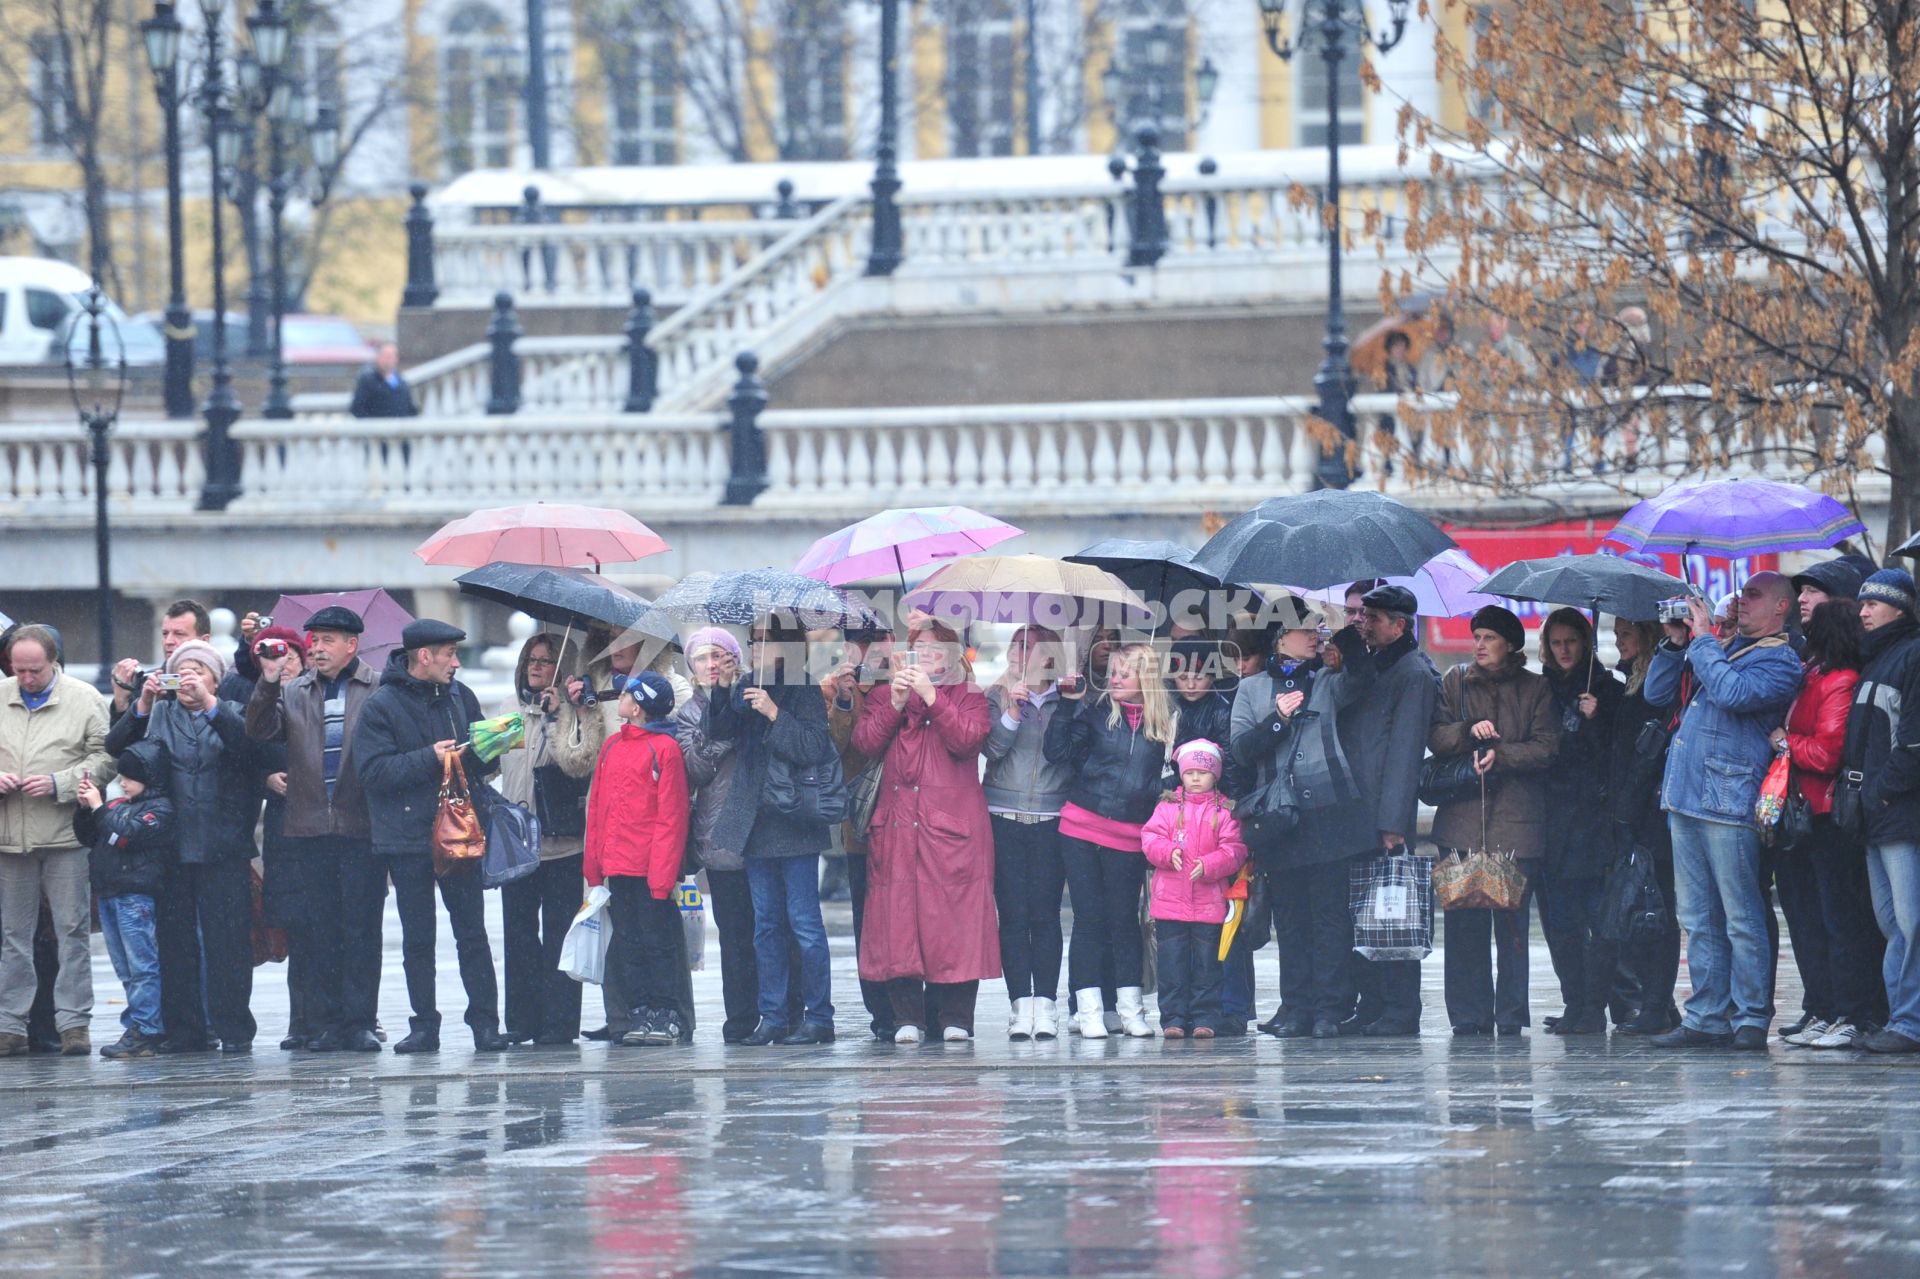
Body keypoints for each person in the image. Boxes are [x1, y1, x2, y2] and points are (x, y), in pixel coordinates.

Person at [1645, 572, 1802, 1050]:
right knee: (1696, 915)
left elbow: (1734, 694)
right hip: (1687, 796)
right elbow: (1655, 694)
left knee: (1740, 913)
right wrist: (1676, 645)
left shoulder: (1782, 659)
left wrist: (1705, 640)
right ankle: (1707, 1015)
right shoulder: (1724, 648)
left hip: (1729, 800)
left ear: (1780, 607)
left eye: (1754, 595)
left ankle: (1751, 1014)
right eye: (1742, 593)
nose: (1741, 601)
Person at [353, 619, 509, 1054]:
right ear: (425, 656)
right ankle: (425, 1026)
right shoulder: (382, 703)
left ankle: (485, 1024)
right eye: (450, 655)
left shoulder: (462, 696)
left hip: (460, 834)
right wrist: (430, 757)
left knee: (472, 933)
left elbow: (476, 763)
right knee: (418, 938)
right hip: (407, 840)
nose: (457, 663)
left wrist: (488, 749)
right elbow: (372, 772)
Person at [106, 638, 263, 1053]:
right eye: (183, 670)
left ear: (217, 678)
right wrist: (140, 703)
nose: (191, 678)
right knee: (176, 943)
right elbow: (117, 750)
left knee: (228, 941)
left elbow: (251, 752)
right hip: (172, 845)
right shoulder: (159, 713)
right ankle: (186, 1029)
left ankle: (233, 1028)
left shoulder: (233, 712)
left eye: (201, 670)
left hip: (224, 844)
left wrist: (210, 705)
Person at [245, 606, 387, 1053]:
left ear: (351, 645)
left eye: (327, 640)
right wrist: (268, 682)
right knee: (320, 930)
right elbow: (258, 730)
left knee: (362, 928)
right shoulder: (294, 690)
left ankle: (360, 1022)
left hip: (359, 826)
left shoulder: (377, 688)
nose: (316, 648)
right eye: (313, 640)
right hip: (307, 827)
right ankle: (325, 1023)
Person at [851, 618, 998, 1044]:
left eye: (938, 648)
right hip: (897, 827)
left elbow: (969, 740)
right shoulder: (885, 693)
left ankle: (956, 1016)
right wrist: (896, 704)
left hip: (952, 832)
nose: (929, 656)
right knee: (897, 921)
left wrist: (934, 699)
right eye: (920, 648)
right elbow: (864, 744)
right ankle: (906, 1017)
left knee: (953, 921)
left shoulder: (969, 696)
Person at [1427, 606, 1559, 1036]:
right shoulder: (1455, 681)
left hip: (1516, 826)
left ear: (1510, 644)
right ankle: (1468, 1017)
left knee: (1513, 930)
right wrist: (1468, 731)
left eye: (1488, 637)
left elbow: (1546, 747)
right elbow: (1437, 735)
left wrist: (1502, 754)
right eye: (1476, 636)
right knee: (1464, 929)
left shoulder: (1536, 688)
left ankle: (1510, 1015)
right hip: (1462, 824)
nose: (1479, 645)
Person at [706, 619, 837, 1046]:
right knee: (765, 925)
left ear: (786, 645)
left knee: (804, 924)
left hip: (794, 820)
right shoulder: (748, 683)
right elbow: (718, 732)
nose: (755, 648)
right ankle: (774, 1016)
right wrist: (724, 688)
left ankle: (819, 1016)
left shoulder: (803, 687)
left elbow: (814, 747)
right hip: (756, 822)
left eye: (763, 640)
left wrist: (774, 713)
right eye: (752, 641)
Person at [1045, 642, 1178, 1039]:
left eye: (1124, 673)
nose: (1115, 679)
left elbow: (1165, 780)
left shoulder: (1166, 723)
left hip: (1130, 833)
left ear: (1145, 679)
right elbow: (1057, 753)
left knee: (1123, 922)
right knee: (1089, 920)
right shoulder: (1099, 712)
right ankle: (1087, 1010)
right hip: (1081, 826)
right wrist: (1067, 706)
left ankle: (1131, 1009)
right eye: (1114, 672)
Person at [1773, 601, 1883, 1049]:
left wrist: (1785, 743)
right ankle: (1825, 1008)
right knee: (1812, 919)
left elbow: (1826, 753)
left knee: (1841, 919)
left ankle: (1852, 1013)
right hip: (1803, 814)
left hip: (1827, 816)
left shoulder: (1840, 681)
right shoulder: (1813, 675)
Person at [1229, 598, 1341, 1037]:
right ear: (1280, 638)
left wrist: (1343, 648)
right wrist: (1277, 719)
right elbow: (1239, 751)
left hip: (1329, 811)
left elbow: (1361, 688)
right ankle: (1296, 1007)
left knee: (1330, 916)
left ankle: (1330, 1009)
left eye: (1317, 627)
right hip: (1279, 818)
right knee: (1291, 917)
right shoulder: (1253, 688)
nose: (1314, 634)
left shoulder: (1330, 679)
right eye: (1305, 628)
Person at [0, 625, 112, 1058]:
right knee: (13, 934)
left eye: (36, 670)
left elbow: (106, 757)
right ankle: (10, 1025)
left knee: (72, 930)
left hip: (65, 834)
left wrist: (60, 782)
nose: (26, 678)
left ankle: (74, 1024)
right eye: (19, 670)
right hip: (11, 835)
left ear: (54, 663)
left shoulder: (84, 698)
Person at [1340, 585, 1443, 1036]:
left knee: (1393, 912)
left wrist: (1392, 824)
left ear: (1399, 625)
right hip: (1357, 809)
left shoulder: (1414, 672)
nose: (1364, 622)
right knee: (1365, 910)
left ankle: (1401, 1008)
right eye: (1362, 615)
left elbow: (1405, 753)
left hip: (1384, 814)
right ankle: (1372, 1003)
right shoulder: (1376, 664)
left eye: (1374, 618)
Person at [495, 631, 602, 1046]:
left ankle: (559, 1024)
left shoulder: (577, 712)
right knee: (518, 934)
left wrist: (559, 716)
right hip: (517, 844)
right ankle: (522, 1020)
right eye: (531, 660)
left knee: (561, 934)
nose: (536, 667)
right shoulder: (508, 710)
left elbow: (579, 762)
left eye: (546, 661)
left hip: (564, 843)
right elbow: (491, 763)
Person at [586, 672, 692, 1046]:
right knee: (628, 941)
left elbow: (672, 817)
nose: (621, 697)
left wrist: (662, 877)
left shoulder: (664, 749)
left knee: (658, 942)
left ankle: (667, 1011)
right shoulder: (613, 746)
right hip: (618, 865)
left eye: (627, 693)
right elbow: (597, 807)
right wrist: (594, 866)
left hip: (650, 869)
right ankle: (639, 1010)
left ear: (640, 706)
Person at [677, 627, 769, 1044]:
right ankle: (740, 1018)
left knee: (773, 928)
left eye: (720, 656)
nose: (712, 665)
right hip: (719, 835)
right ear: (692, 667)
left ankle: (782, 1009)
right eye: (702, 658)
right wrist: (720, 729)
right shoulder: (687, 713)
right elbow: (693, 770)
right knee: (734, 934)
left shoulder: (755, 696)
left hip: (765, 828)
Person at [1538, 608, 1626, 1034]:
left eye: (1571, 641)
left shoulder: (1606, 689)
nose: (1564, 650)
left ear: (1586, 642)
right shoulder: (1543, 688)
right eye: (1556, 643)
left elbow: (1611, 757)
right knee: (1560, 922)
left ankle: (1596, 1005)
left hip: (1591, 823)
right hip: (1552, 821)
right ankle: (1575, 1001)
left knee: (1598, 920)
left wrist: (1595, 721)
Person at [983, 624, 1072, 1041]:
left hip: (1052, 818)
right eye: (1016, 645)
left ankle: (1047, 1007)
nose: (1022, 653)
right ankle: (1020, 1006)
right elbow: (993, 750)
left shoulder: (1067, 698)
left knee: (1047, 915)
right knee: (1014, 916)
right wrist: (1013, 712)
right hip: (1003, 814)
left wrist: (1069, 706)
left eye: (1032, 646)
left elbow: (1070, 754)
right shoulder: (995, 695)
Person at [1846, 569, 1920, 1053]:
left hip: (1898, 814)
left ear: (1900, 607)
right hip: (1877, 815)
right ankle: (1900, 1017)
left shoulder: (1912, 655)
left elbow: (1912, 743)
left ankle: (1910, 1024)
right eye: (1861, 603)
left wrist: (1880, 793)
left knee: (1912, 925)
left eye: (1874, 603)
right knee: (1892, 925)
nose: (1863, 611)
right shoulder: (1876, 658)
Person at [73, 740, 174, 1059]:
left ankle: (147, 1029)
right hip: (110, 894)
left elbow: (125, 837)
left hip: (135, 897)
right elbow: (89, 836)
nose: (122, 782)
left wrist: (99, 807)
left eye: (129, 777)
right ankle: (137, 1024)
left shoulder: (160, 810)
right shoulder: (118, 806)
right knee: (125, 968)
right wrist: (84, 809)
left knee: (142, 966)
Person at [1140, 740, 1247, 1038]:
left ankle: (1205, 1018)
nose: (1196, 778)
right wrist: (1166, 852)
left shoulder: (1225, 812)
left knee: (1207, 967)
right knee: (1171, 965)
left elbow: (1235, 849)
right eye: (1190, 772)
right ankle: (1173, 1018)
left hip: (1209, 904)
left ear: (1216, 775)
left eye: (1203, 772)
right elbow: (1149, 838)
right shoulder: (1167, 807)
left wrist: (1211, 865)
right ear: (1181, 775)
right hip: (1170, 905)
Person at [1606, 618, 1683, 1036]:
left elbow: (1647, 754)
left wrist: (1627, 812)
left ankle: (1655, 1004)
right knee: (1639, 908)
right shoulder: (1630, 683)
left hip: (1649, 815)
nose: (1618, 641)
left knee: (1656, 909)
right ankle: (1660, 1002)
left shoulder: (1657, 687)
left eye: (1625, 634)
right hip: (1630, 811)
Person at [821, 626, 897, 1040]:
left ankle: (910, 1003)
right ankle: (880, 1009)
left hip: (907, 820)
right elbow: (836, 745)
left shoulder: (906, 676)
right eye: (859, 644)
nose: (867, 652)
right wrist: (847, 699)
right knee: (866, 916)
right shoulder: (833, 687)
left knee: (904, 914)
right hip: (860, 824)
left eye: (876, 642)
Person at [109, 599, 210, 719]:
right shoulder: (148, 683)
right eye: (165, 634)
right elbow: (122, 737)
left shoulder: (225, 683)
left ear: (204, 641)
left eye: (179, 634)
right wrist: (121, 699)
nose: (168, 642)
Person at [349, 341, 420, 418]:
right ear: (378, 357)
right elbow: (357, 408)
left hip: (400, 428)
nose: (388, 360)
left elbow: (410, 408)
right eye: (386, 356)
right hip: (377, 428)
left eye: (392, 356)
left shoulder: (401, 381)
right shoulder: (367, 380)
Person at [1794, 559, 1866, 626]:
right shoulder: (1793, 639)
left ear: (1839, 599)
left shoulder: (1865, 639)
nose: (1801, 599)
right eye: (1802, 591)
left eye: (1812, 591)